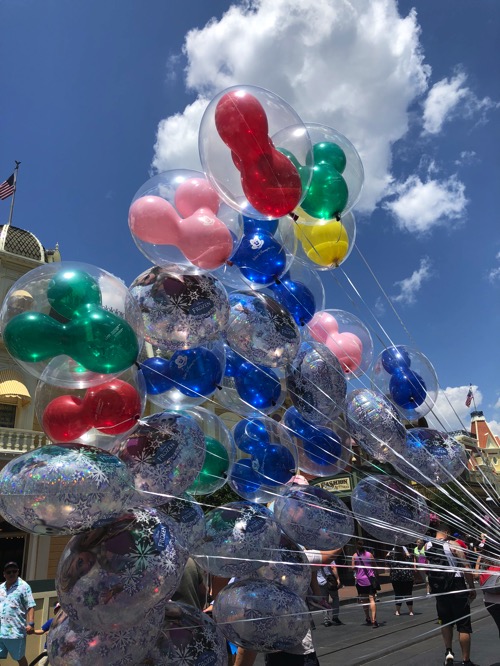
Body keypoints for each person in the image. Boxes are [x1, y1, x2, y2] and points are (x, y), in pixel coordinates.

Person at [425, 525, 478, 666]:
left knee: (445, 621)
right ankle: (466, 660)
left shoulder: (427, 546)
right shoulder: (453, 545)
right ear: (447, 533)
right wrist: (471, 587)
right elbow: (466, 567)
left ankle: (448, 652)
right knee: (463, 625)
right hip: (457, 586)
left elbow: (426, 568)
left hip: (440, 589)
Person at [0, 562, 36, 666]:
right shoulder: (1, 587)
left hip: (15, 632)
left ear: (18, 572)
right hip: (1, 631)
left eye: (14, 571)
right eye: (9, 572)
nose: (12, 574)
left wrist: (31, 624)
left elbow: (30, 606)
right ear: (4, 574)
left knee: (19, 658)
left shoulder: (24, 587)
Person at [351, 540, 378, 628]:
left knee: (364, 600)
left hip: (360, 580)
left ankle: (367, 617)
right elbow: (375, 565)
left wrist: (357, 566)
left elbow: (352, 568)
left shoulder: (354, 556)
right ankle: (374, 620)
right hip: (370, 579)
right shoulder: (369, 554)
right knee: (372, 599)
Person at [385, 545, 415, 616]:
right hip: (407, 577)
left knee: (398, 593)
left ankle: (398, 611)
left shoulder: (392, 558)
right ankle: (411, 611)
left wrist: (388, 553)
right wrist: (407, 554)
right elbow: (411, 561)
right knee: (408, 594)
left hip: (396, 577)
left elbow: (387, 561)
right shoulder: (407, 557)